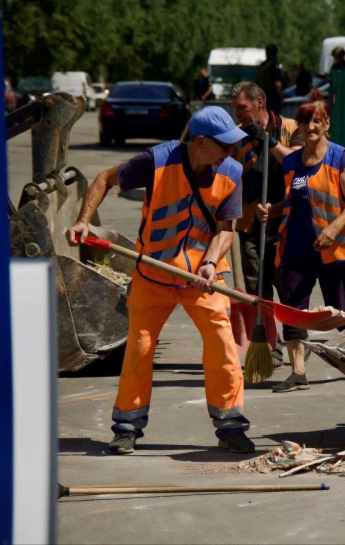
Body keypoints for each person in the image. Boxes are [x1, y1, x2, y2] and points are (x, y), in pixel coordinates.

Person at [66, 106, 256, 455]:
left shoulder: (232, 171)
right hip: (153, 273)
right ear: (200, 142)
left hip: (203, 278)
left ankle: (231, 425)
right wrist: (83, 222)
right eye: (224, 145)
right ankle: (126, 428)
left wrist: (211, 263)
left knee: (223, 345)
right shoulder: (156, 161)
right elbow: (104, 179)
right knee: (138, 349)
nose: (231, 151)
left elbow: (226, 231)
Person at [256, 91, 345, 393]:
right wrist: (272, 210)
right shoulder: (292, 162)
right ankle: (298, 373)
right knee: (293, 309)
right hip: (296, 247)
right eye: (305, 123)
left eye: (316, 122)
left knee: (342, 312)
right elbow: (293, 200)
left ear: (326, 123)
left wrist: (332, 229)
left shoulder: (340, 157)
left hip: (335, 248)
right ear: (299, 128)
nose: (311, 127)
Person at [230, 81, 304, 363]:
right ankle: (268, 346)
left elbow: (297, 164)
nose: (238, 114)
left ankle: (297, 344)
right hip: (251, 223)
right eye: (235, 109)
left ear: (259, 103)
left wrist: (267, 140)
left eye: (242, 108)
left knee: (288, 287)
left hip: (285, 222)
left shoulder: (290, 127)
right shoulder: (235, 135)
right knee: (257, 289)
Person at [328, 46, 345, 153]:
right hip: (337, 105)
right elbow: (332, 88)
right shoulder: (334, 69)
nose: (336, 59)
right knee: (336, 128)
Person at [257, 44, 285, 113]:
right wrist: (281, 98)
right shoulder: (275, 66)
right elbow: (278, 84)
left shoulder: (262, 66)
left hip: (263, 98)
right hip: (273, 99)